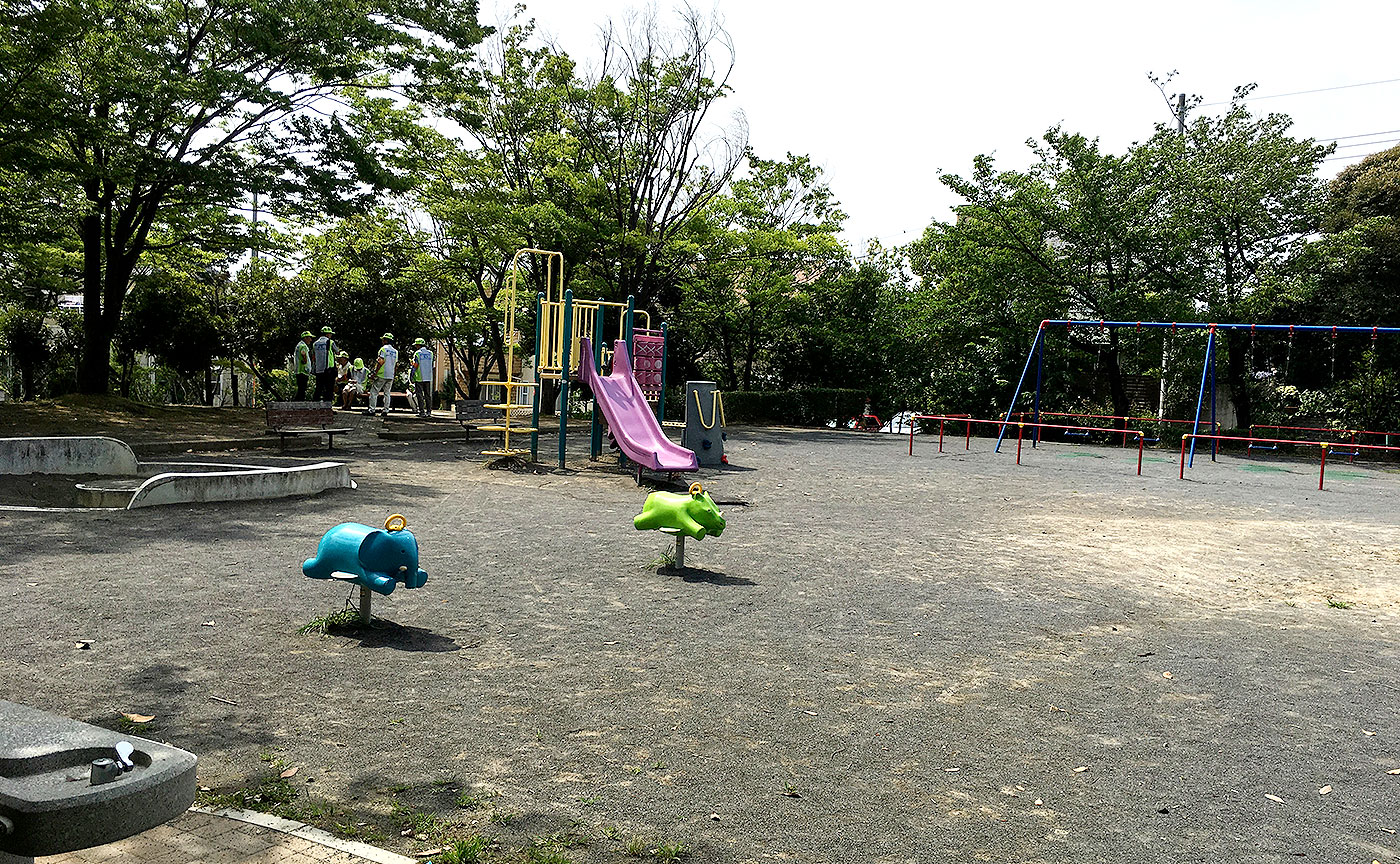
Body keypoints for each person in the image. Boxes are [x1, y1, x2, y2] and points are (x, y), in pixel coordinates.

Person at [365, 332, 398, 417]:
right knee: (387, 393)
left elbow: (380, 362)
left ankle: (372, 410)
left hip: (382, 374)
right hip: (390, 375)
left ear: (386, 340)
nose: (382, 341)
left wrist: (374, 373)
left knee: (374, 392)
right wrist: (393, 375)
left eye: (383, 340)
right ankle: (386, 410)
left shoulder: (383, 349)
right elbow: (395, 365)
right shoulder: (395, 351)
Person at [310, 326, 338, 402]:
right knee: (329, 388)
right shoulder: (330, 342)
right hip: (328, 369)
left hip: (319, 369)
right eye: (330, 333)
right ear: (327, 334)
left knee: (319, 387)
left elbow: (313, 356)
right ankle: (327, 405)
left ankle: (315, 403)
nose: (331, 335)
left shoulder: (315, 343)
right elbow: (337, 351)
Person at [410, 337, 434, 417]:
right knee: (428, 395)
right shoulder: (430, 353)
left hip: (419, 376)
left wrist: (412, 375)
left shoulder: (417, 353)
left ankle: (422, 411)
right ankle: (429, 411)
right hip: (428, 376)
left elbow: (415, 365)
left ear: (418, 345)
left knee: (419, 395)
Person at [292, 331, 313, 400]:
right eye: (309, 338)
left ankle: (298, 401)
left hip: (298, 370)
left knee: (300, 388)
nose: (310, 340)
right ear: (305, 338)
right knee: (302, 388)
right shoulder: (303, 346)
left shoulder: (298, 345)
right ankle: (299, 402)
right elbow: (303, 353)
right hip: (303, 370)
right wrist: (305, 360)